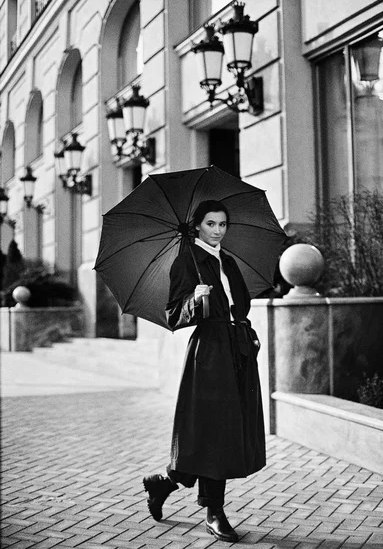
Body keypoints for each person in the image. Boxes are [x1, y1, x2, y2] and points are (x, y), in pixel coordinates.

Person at [143, 200, 265, 543]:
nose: (217, 230)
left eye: (223, 224)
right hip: (209, 353)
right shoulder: (187, 260)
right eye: (211, 224)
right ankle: (214, 512)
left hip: (237, 349)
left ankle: (163, 483)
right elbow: (173, 313)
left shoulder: (225, 260)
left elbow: (240, 302)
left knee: (222, 430)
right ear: (197, 226)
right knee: (216, 431)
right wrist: (195, 301)